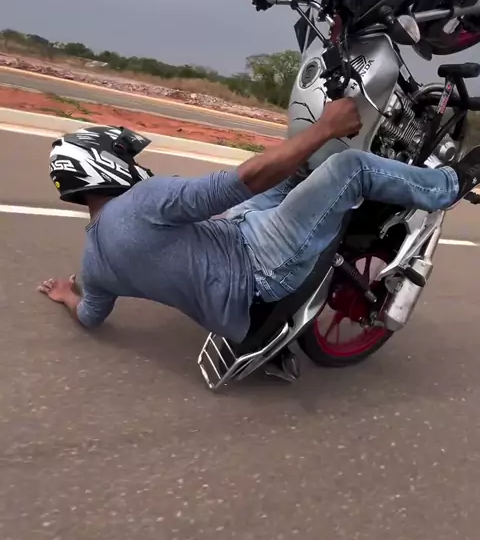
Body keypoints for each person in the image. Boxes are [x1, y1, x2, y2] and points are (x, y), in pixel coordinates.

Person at [38, 100, 480, 377]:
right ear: (102, 164)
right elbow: (242, 181)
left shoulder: (94, 265)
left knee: (297, 168)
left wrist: (66, 295)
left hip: (233, 268)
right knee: (351, 169)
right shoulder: (142, 201)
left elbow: (90, 315)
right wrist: (324, 127)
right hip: (259, 267)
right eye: (124, 156)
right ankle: (449, 184)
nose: (135, 164)